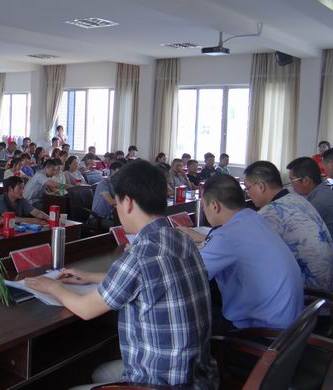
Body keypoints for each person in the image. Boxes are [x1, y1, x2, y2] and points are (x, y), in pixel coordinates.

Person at [26, 160, 217, 389]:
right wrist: (90, 276)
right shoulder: (182, 239)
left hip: (158, 383)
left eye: (116, 203)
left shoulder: (141, 254)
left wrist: (52, 286)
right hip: (196, 375)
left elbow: (86, 309)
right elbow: (146, 280)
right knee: (101, 373)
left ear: (128, 202)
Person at [177, 175, 304, 331]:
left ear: (215, 206)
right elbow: (237, 244)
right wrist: (206, 238)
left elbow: (187, 276)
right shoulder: (254, 218)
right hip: (290, 324)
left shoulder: (225, 237)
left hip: (265, 331)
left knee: (187, 316)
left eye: (203, 205)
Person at [243, 161, 333, 291]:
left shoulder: (270, 213)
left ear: (261, 186)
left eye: (248, 188)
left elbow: (246, 251)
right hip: (327, 285)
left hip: (310, 293)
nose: (248, 193)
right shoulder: (297, 199)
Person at [287, 157, 333, 260]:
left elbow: (295, 233)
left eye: (292, 180)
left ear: (306, 181)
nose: (291, 185)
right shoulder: (323, 191)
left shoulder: (319, 202)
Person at [91, 161, 124, 227]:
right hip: (98, 218)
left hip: (110, 216)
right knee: (121, 227)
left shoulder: (117, 184)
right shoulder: (104, 183)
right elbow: (111, 201)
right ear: (112, 171)